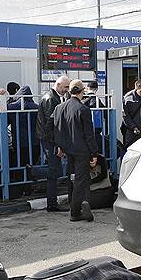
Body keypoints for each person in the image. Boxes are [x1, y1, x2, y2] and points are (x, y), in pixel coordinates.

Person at [53, 80, 99, 222]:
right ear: (82, 91)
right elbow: (89, 134)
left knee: (71, 179)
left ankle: (76, 206)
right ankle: (76, 210)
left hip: (67, 150)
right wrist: (94, 153)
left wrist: (59, 146)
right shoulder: (83, 109)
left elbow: (55, 128)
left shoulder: (59, 108)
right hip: (81, 151)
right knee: (80, 180)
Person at [37, 75, 69, 212]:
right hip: (50, 140)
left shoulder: (51, 97)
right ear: (58, 84)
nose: (67, 90)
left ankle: (52, 203)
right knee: (54, 170)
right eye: (65, 87)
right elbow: (53, 124)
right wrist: (58, 145)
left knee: (54, 169)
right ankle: (52, 203)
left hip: (48, 139)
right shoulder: (51, 99)